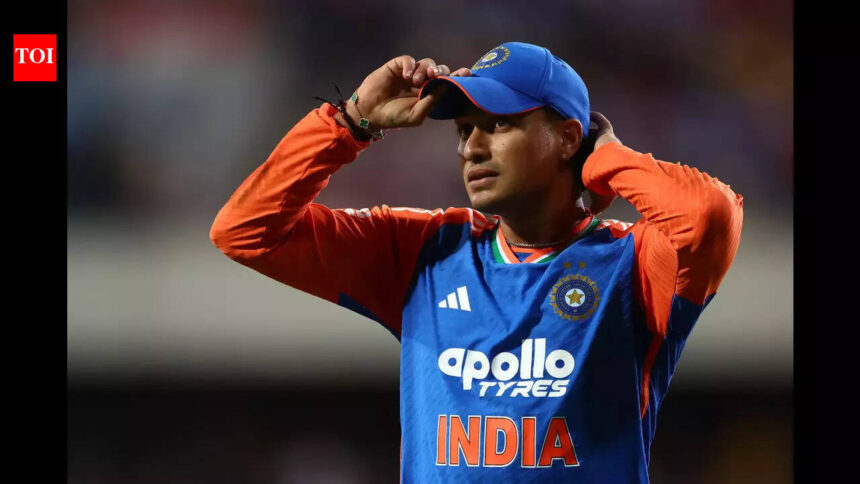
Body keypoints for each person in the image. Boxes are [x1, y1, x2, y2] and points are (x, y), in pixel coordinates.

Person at [210, 41, 744, 483]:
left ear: (567, 138)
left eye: (498, 125)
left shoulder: (633, 263)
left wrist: (607, 160)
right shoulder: (427, 250)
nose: (471, 149)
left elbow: (708, 214)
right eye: (465, 129)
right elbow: (245, 230)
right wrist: (351, 122)